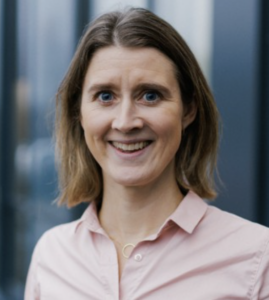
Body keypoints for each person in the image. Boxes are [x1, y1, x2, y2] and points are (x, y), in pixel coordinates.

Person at [25, 7, 269, 300]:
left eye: (150, 95)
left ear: (188, 109)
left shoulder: (256, 259)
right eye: (105, 96)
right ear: (79, 112)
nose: (126, 122)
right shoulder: (51, 256)